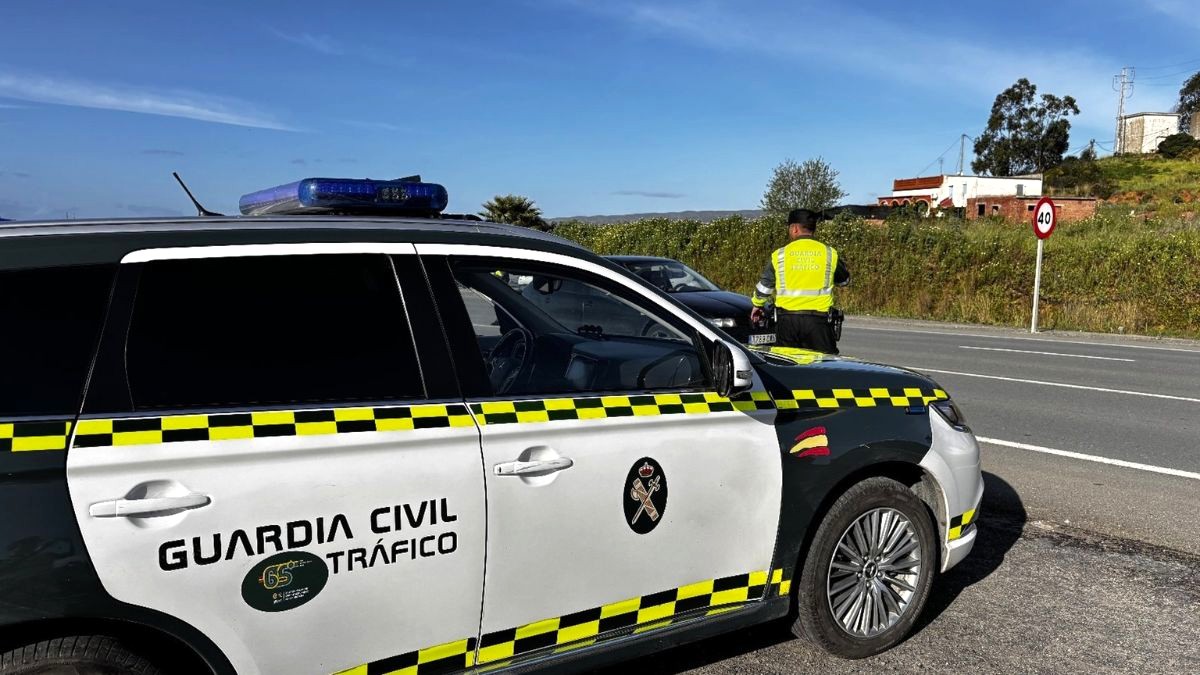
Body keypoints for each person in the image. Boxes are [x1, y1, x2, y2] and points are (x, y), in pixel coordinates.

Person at [749, 208, 850, 353]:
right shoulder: (829, 253)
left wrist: (757, 305)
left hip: (787, 322)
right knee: (823, 367)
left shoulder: (780, 255)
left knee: (787, 367)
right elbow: (844, 281)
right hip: (819, 323)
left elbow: (765, 287)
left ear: (795, 228)